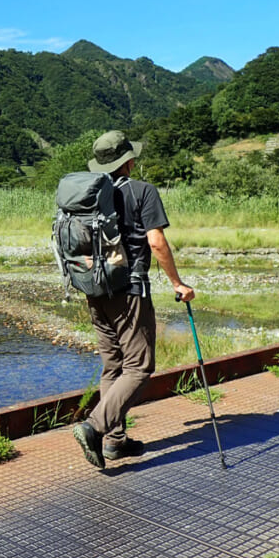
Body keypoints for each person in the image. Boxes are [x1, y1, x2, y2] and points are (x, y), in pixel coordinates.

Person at [72, 130, 195, 468]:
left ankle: (114, 442)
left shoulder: (89, 195)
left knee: (114, 366)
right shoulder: (143, 191)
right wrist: (177, 283)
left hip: (96, 290)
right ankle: (94, 427)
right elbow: (156, 243)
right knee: (139, 367)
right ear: (128, 160)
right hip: (129, 291)